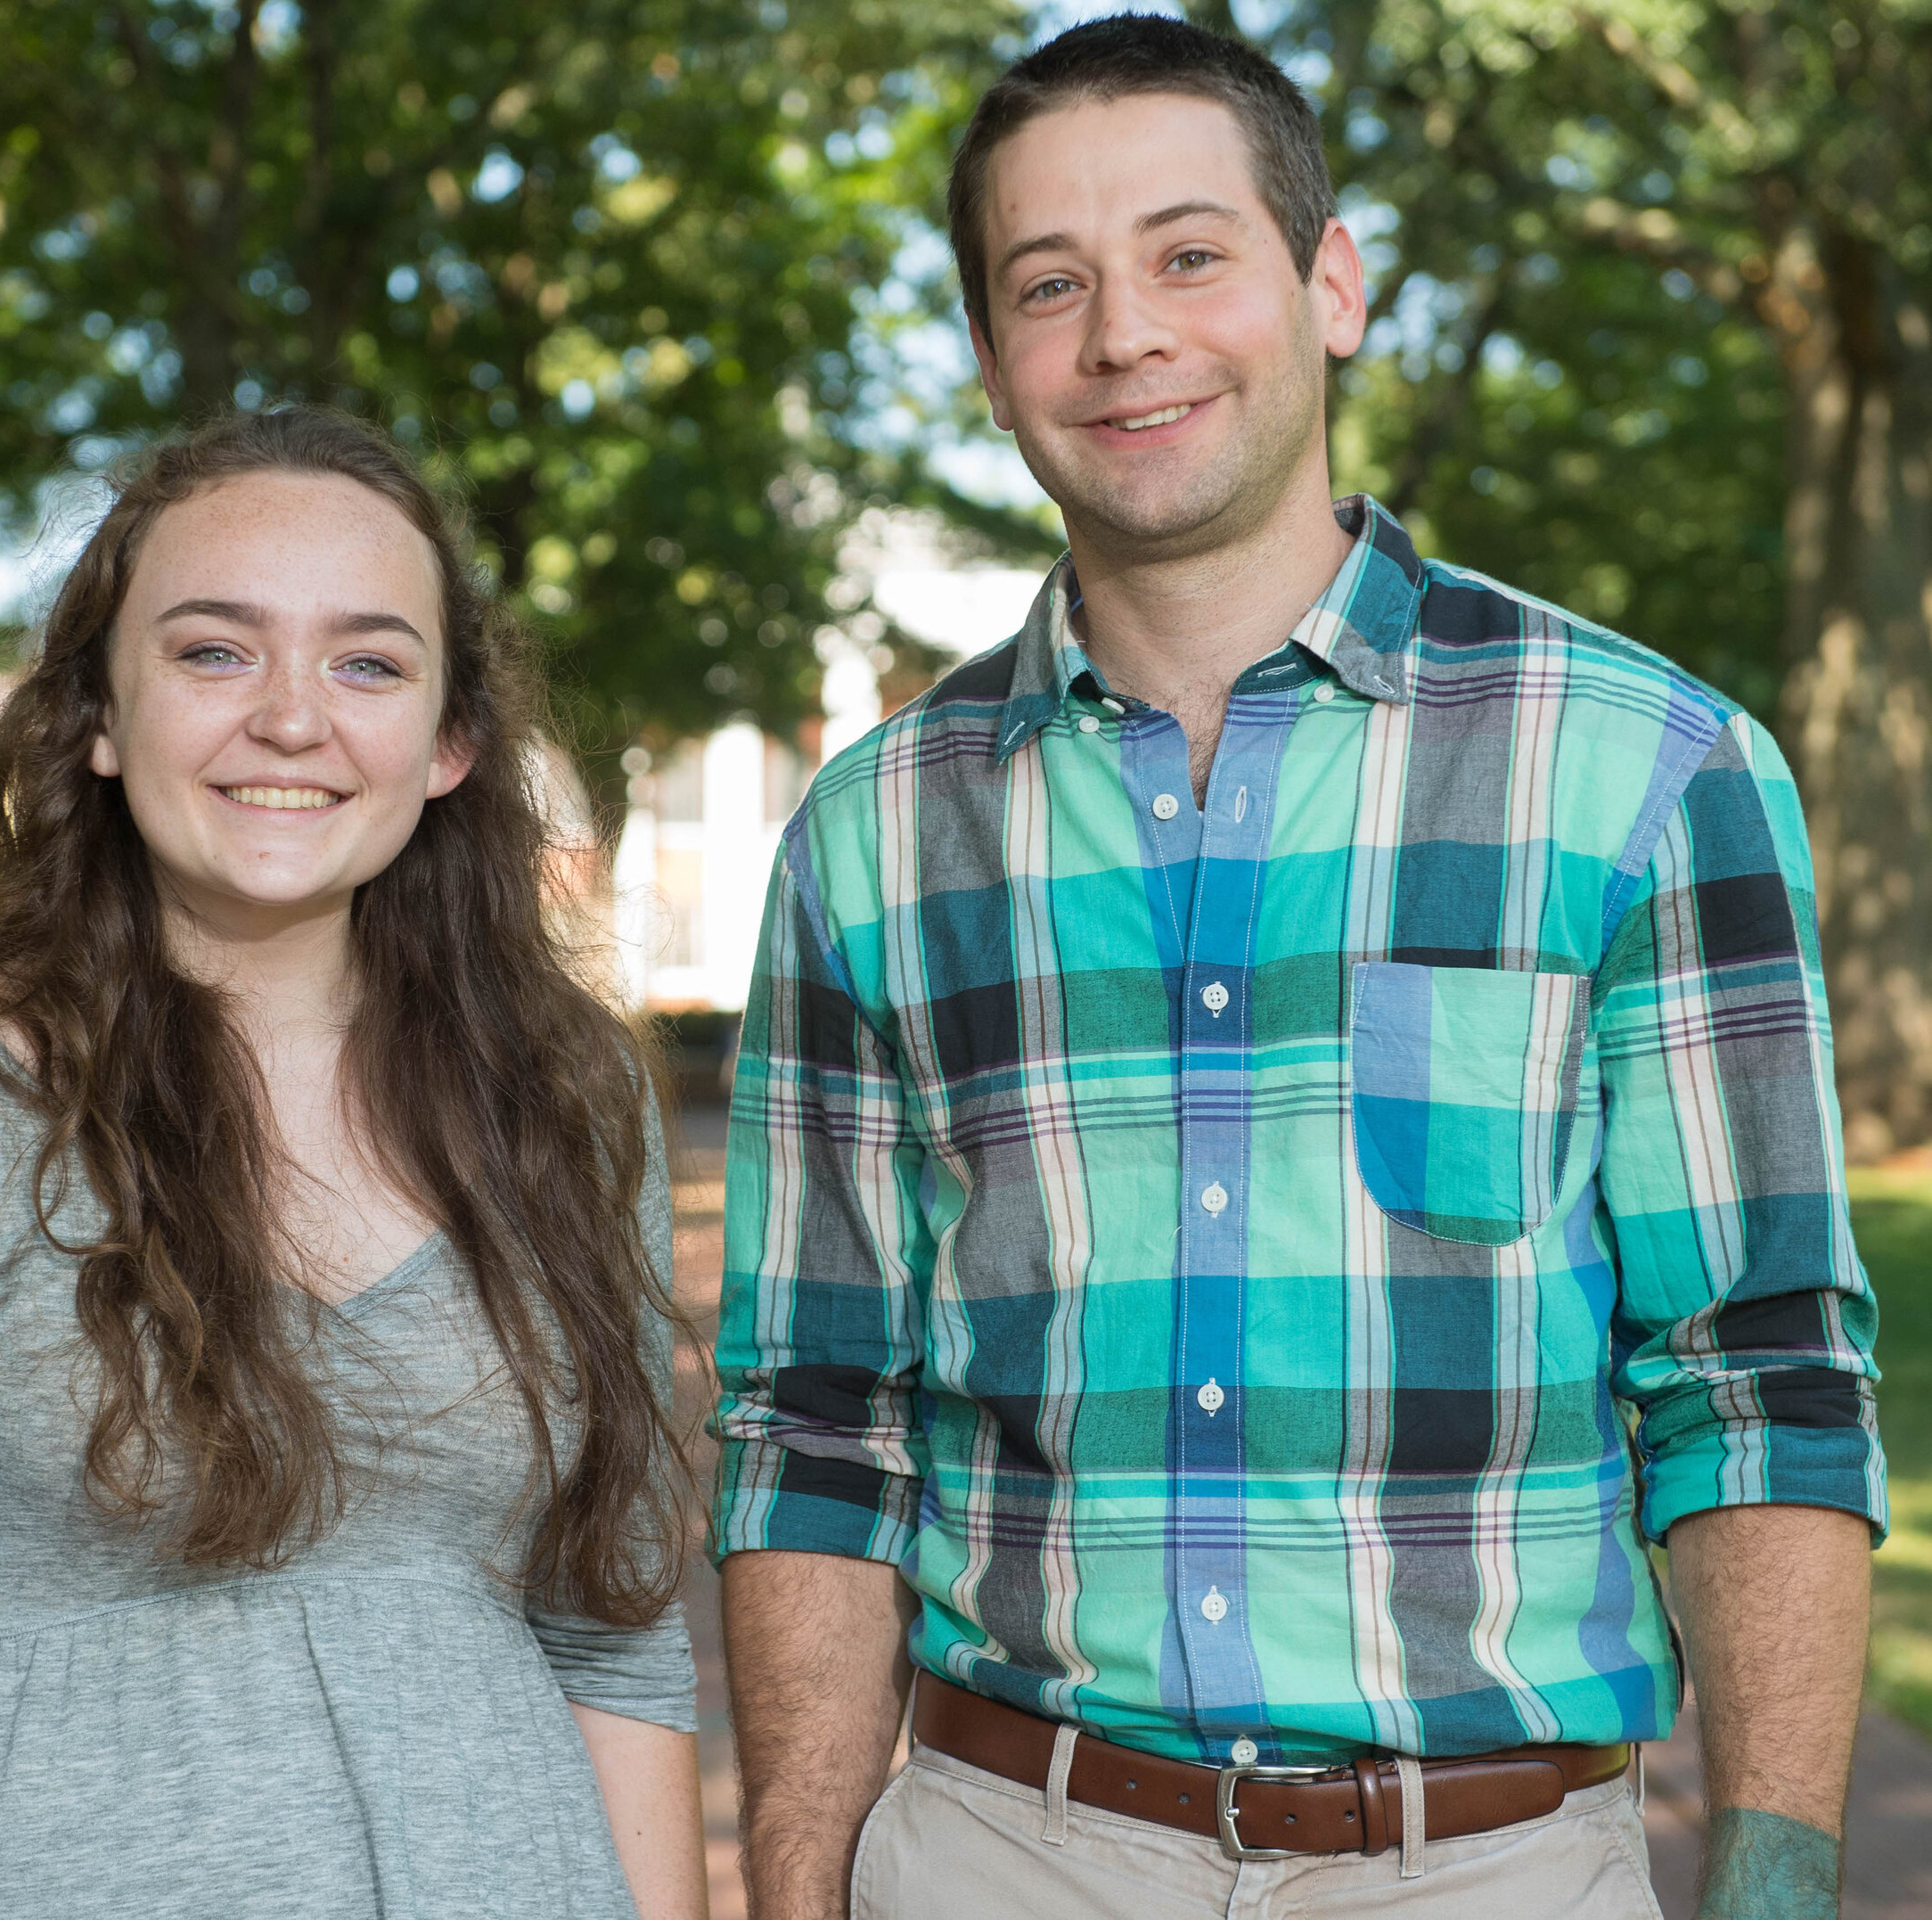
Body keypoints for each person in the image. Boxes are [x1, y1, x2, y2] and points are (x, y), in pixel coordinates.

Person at [710, 17, 1882, 1920]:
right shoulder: (867, 838)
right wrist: (792, 1887)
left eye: (1188, 254)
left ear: (1325, 285)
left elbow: (1751, 1379)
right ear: (993, 357)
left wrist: (1769, 1893)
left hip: (1490, 1870)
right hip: (999, 1853)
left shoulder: (1644, 771)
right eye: (1048, 284)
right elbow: (811, 1421)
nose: (1123, 336)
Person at [0, 406, 709, 1920]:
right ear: (99, 719)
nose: (295, 718)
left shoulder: (568, 1102)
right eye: (214, 651)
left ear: (451, 744)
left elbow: (619, 1641)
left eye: (368, 661)